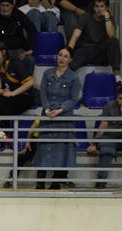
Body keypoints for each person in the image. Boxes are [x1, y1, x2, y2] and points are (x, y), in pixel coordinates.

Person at [36, 44, 79, 189]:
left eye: (66, 56)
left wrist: (60, 110)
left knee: (61, 150)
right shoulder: (47, 73)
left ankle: (56, 183)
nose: (62, 58)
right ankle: (40, 183)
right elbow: (43, 93)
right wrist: (47, 108)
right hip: (47, 116)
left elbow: (73, 99)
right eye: (60, 55)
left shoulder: (74, 77)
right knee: (44, 149)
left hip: (64, 118)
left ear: (70, 60)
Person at [90, 84, 122, 190]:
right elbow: (103, 126)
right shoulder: (109, 105)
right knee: (106, 149)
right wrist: (94, 144)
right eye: (120, 98)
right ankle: (101, 181)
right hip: (110, 135)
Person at [68, 0, 120, 76]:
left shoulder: (109, 19)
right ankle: (66, 76)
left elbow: (111, 35)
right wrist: (69, 51)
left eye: (102, 6)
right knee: (80, 54)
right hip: (86, 50)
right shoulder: (86, 16)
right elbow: (75, 35)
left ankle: (117, 75)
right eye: (96, 6)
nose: (99, 9)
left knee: (114, 41)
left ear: (107, 8)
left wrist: (107, 16)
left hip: (100, 52)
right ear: (93, 7)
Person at [0, 40, 34, 117]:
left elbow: (30, 82)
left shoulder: (14, 63)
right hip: (8, 94)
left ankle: (3, 124)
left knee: (2, 103)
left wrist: (12, 93)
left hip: (23, 95)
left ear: (3, 52)